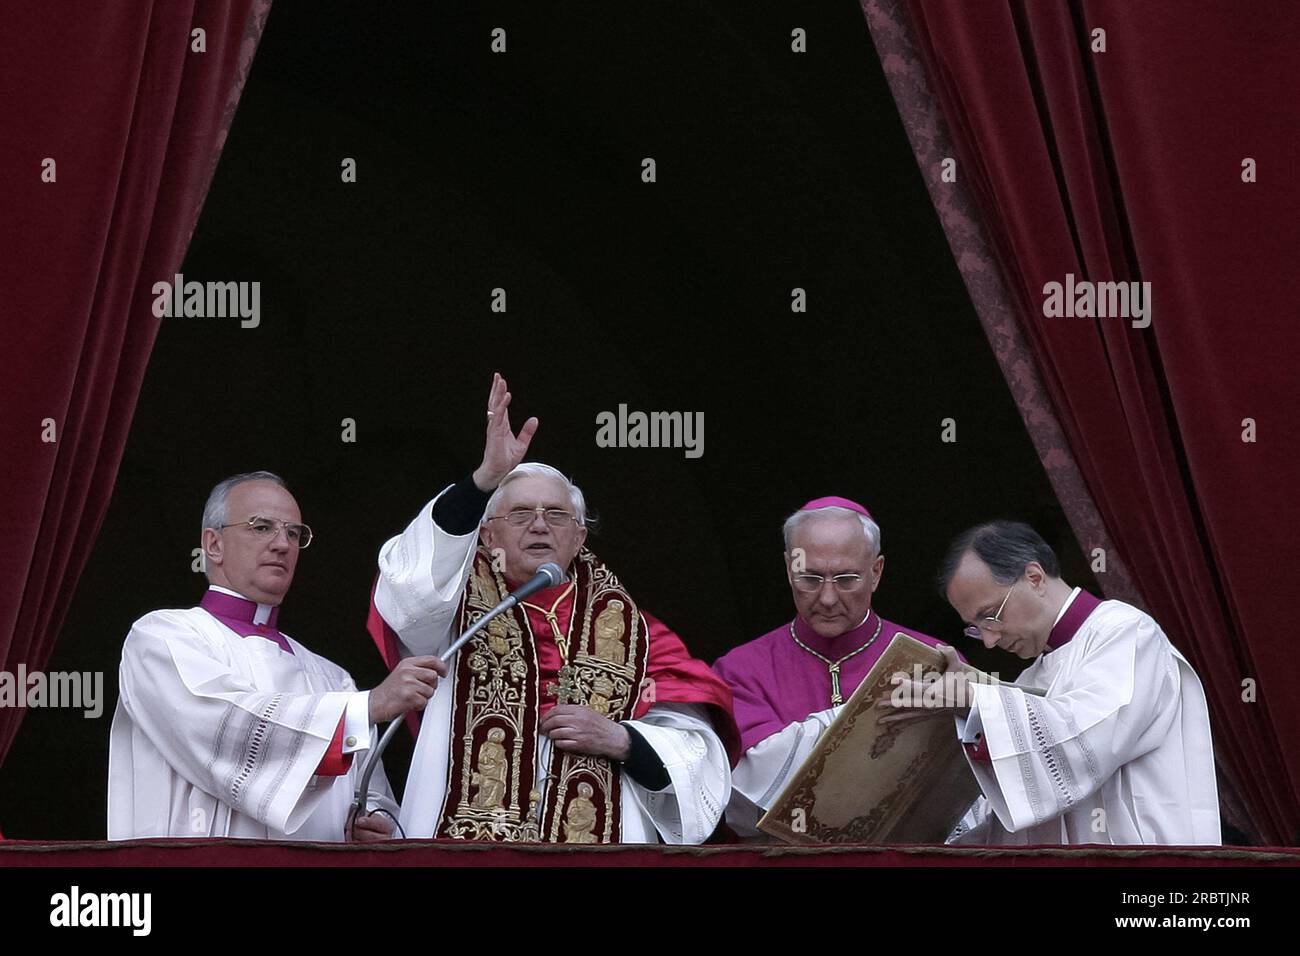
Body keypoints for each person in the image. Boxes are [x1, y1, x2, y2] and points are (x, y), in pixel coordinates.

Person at [368, 373, 738, 844]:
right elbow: (407, 589)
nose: (540, 526)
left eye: (557, 515)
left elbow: (698, 754)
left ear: (580, 537)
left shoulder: (640, 636)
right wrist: (483, 480)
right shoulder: (451, 616)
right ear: (486, 534)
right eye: (520, 514)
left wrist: (622, 740)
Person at [108, 472, 441, 841]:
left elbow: (371, 796)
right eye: (261, 527)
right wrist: (365, 708)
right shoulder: (161, 638)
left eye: (294, 533)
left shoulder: (333, 679)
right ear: (214, 544)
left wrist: (367, 823)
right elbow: (226, 729)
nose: (282, 543)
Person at [885, 520, 1220, 845]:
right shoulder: (1030, 677)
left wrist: (975, 699)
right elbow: (1024, 812)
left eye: (989, 616)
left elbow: (1085, 741)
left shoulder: (1127, 633)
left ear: (1034, 577)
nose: (988, 641)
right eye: (975, 627)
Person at [712, 496, 952, 837]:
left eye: (846, 579)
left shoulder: (932, 661)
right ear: (788, 568)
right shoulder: (740, 670)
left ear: (876, 572)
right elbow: (743, 793)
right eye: (809, 578)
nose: (826, 598)